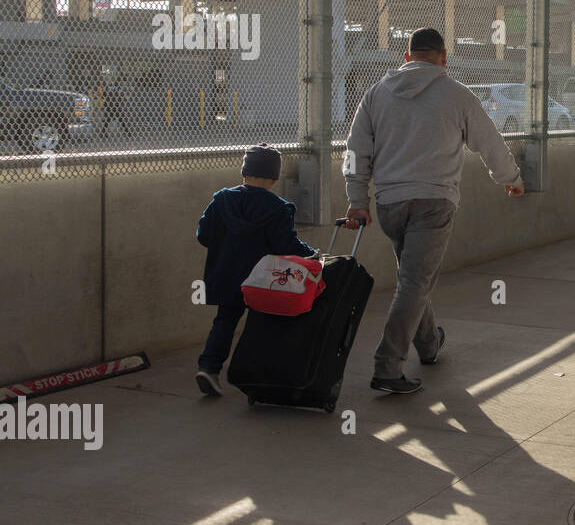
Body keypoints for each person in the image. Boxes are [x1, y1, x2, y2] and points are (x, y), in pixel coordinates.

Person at [345, 28, 525, 394]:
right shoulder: (458, 94)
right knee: (414, 281)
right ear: (444, 57)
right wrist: (511, 177)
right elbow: (489, 142)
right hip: (434, 201)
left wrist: (357, 200)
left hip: (390, 203)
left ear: (407, 57)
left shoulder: (376, 94)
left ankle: (428, 344)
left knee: (414, 278)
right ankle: (387, 366)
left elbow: (355, 151)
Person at [195, 144, 317, 396]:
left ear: (244, 172)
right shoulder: (279, 207)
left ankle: (209, 367)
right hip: (263, 281)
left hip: (226, 275)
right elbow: (286, 245)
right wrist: (312, 254)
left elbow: (203, 235)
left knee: (225, 320)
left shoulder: (222, 200)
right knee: (265, 324)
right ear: (274, 177)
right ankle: (257, 375)